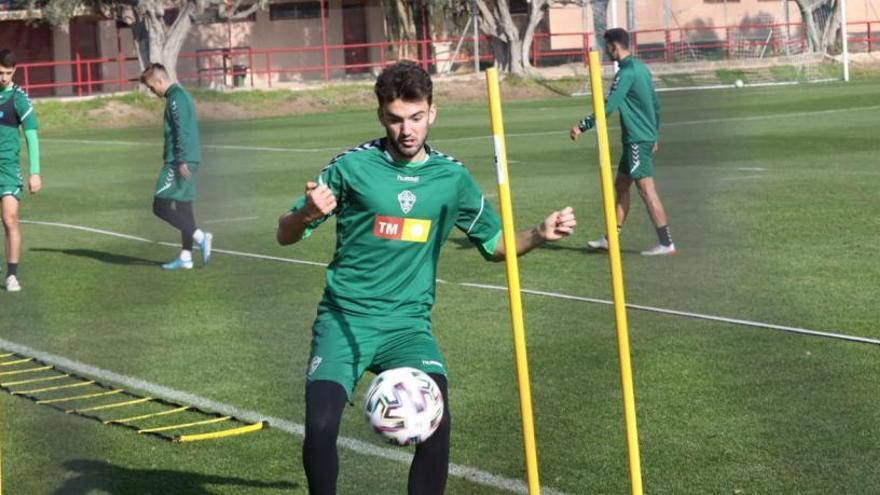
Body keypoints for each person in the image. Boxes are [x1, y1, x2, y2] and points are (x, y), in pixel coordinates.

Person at [277, 60, 576, 495]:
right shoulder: (350, 168)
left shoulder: (451, 178)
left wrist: (538, 233)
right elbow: (284, 235)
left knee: (436, 425)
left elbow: (494, 245)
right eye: (396, 119)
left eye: (416, 117)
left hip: (408, 327)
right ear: (381, 116)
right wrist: (305, 213)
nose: (406, 130)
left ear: (432, 112)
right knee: (320, 425)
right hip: (345, 320)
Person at [570, 28, 676, 256]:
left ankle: (666, 243)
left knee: (646, 190)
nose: (605, 51)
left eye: (606, 46)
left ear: (614, 46)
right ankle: (611, 238)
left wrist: (582, 126)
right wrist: (655, 134)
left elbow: (607, 106)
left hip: (637, 140)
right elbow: (656, 105)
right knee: (621, 186)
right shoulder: (641, 68)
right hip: (640, 138)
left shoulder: (626, 72)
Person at [140, 63, 212, 270]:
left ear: (159, 81)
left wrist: (180, 160)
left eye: (152, 88)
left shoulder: (175, 99)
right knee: (183, 206)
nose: (153, 92)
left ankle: (201, 236)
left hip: (179, 161)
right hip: (188, 158)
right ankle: (186, 256)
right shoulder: (181, 96)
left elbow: (180, 130)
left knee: (160, 206)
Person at [0, 49, 41, 292]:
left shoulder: (18, 98)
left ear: (14, 71)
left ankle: (12, 274)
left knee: (9, 219)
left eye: (7, 73)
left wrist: (34, 172)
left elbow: (31, 136)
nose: (2, 77)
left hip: (7, 169)